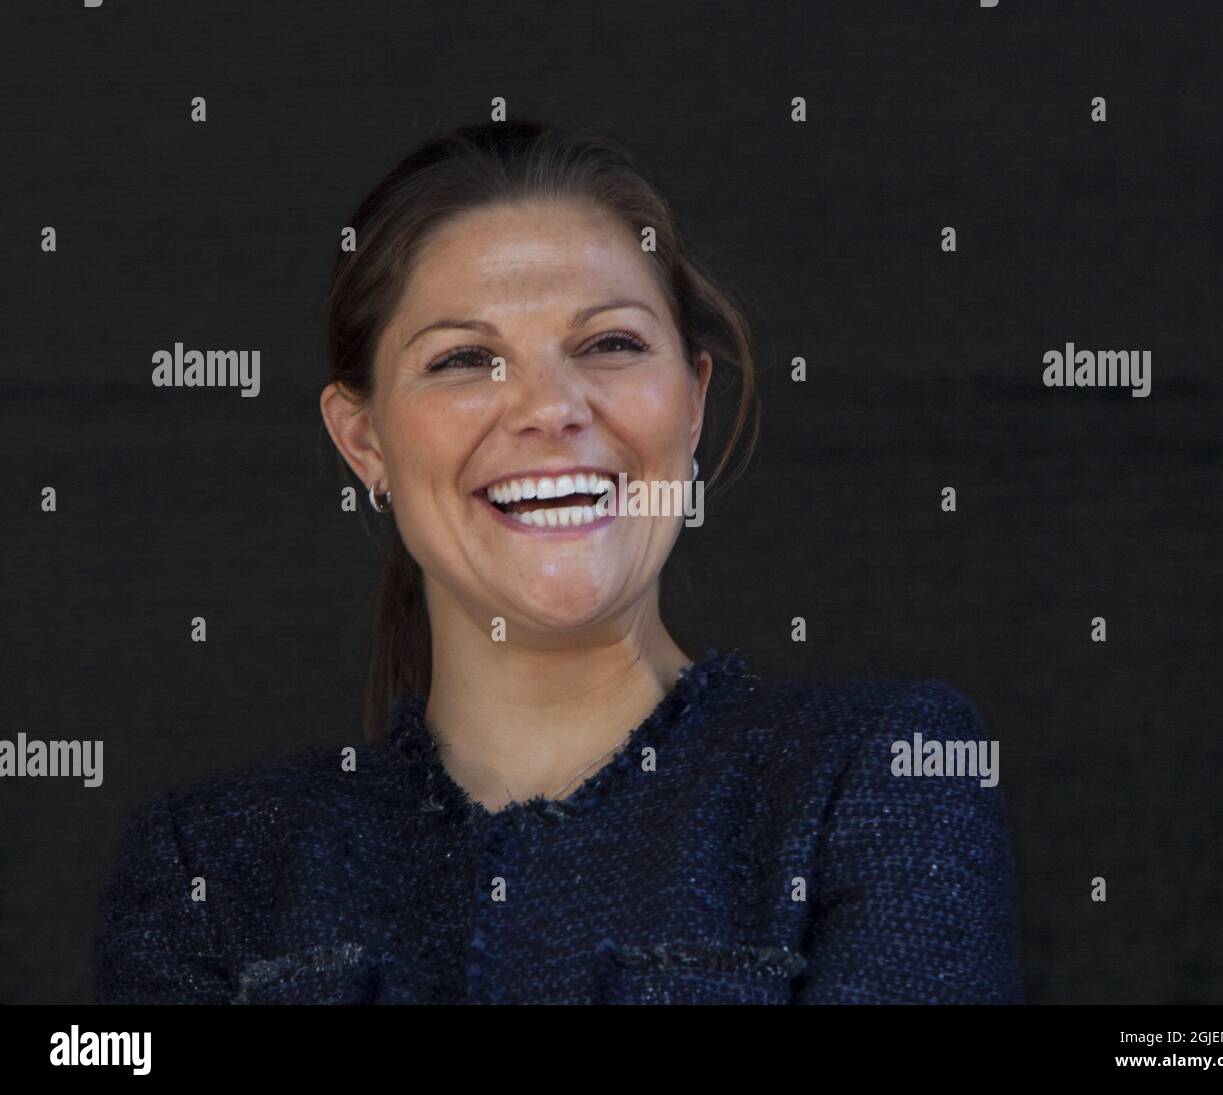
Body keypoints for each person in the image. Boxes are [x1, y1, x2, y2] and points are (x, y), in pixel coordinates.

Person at [92, 120, 1024, 1004]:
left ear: (692, 403)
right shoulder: (209, 869)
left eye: (611, 343)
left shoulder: (883, 776)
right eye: (463, 359)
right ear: (364, 439)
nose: (552, 407)